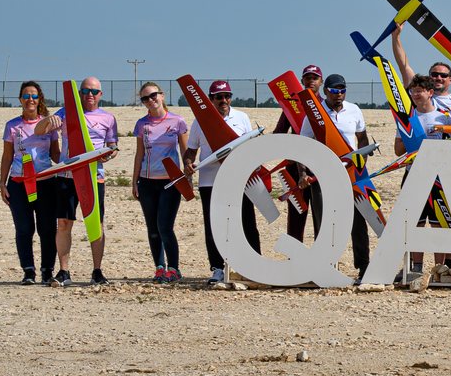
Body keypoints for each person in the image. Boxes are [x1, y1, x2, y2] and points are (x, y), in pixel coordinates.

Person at [40, 76, 119, 286]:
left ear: (100, 94)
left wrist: (108, 154)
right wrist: (48, 121)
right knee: (64, 223)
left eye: (94, 91)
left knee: (96, 223)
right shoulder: (66, 112)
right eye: (85, 91)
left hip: (94, 177)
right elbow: (39, 131)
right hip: (67, 177)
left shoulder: (108, 118)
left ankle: (97, 272)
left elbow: (113, 146)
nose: (89, 95)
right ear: (79, 93)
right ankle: (64, 272)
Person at [185, 80, 257, 285]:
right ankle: (217, 268)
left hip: (239, 179)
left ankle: (253, 266)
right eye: (219, 97)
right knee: (213, 226)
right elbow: (191, 151)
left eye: (227, 96)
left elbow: (251, 147)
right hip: (210, 182)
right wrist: (188, 164)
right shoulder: (200, 121)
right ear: (210, 99)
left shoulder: (242, 117)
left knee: (247, 222)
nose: (224, 100)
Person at [304, 73, 373, 280]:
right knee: (323, 221)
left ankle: (364, 266)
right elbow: (303, 145)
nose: (339, 94)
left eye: (342, 90)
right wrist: (303, 173)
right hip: (322, 173)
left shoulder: (354, 110)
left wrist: (360, 163)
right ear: (326, 91)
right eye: (334, 91)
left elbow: (362, 139)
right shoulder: (315, 112)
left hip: (351, 174)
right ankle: (324, 267)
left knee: (358, 221)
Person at [397, 73, 451, 282]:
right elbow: (398, 150)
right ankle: (417, 267)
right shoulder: (407, 118)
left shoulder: (444, 117)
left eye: (419, 91)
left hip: (439, 177)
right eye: (413, 91)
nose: (415, 95)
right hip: (413, 174)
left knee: (440, 222)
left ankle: (439, 268)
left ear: (430, 92)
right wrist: (409, 138)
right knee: (416, 222)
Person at [0, 81, 60, 285]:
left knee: (47, 229)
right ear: (20, 100)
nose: (30, 100)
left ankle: (47, 270)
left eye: (34, 96)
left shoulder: (49, 125)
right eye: (26, 96)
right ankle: (28, 271)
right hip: (19, 183)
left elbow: (56, 155)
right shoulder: (12, 126)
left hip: (45, 183)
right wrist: (2, 183)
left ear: (39, 99)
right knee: (24, 228)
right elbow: (7, 156)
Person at [131, 82, 189, 282]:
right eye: (145, 98)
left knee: (165, 226)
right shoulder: (142, 124)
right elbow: (139, 154)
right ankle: (159, 268)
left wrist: (188, 178)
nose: (150, 100)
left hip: (171, 183)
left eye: (153, 95)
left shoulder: (178, 121)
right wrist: (134, 181)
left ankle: (174, 269)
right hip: (147, 182)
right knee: (153, 229)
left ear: (162, 95)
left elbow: (185, 152)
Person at [272, 64, 322, 244]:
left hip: (319, 168)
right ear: (301, 81)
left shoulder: (326, 105)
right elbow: (278, 134)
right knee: (295, 216)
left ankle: (322, 256)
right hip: (295, 169)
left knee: (321, 216)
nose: (311, 81)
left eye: (315, 78)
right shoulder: (292, 105)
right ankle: (294, 256)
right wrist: (291, 151)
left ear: (321, 81)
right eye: (307, 78)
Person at [391, 24, 451, 120]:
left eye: (443, 75)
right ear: (429, 77)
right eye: (434, 74)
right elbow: (404, 67)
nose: (439, 78)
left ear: (450, 80)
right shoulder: (420, 95)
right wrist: (396, 37)